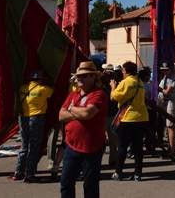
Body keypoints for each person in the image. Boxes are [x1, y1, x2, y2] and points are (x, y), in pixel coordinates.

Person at [58, 61, 108, 198]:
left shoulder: (99, 94)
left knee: (90, 186)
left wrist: (71, 109)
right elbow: (61, 116)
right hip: (71, 145)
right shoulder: (73, 95)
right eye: (79, 76)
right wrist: (78, 113)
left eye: (85, 76)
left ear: (93, 77)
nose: (80, 78)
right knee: (66, 182)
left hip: (92, 147)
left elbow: (87, 114)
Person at [112, 61, 148, 181]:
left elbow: (115, 97)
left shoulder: (126, 82)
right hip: (141, 117)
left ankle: (118, 172)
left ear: (126, 71)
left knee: (122, 146)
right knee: (138, 148)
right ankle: (138, 173)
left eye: (123, 70)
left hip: (128, 118)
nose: (122, 72)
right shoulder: (140, 82)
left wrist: (113, 87)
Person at [14, 70, 53, 182]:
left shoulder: (23, 88)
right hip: (36, 118)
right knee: (34, 146)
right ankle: (29, 174)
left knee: (24, 146)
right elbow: (53, 92)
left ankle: (18, 172)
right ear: (40, 80)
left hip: (22, 118)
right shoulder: (44, 89)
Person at [158, 62, 175, 155]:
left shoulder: (173, 77)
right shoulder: (165, 77)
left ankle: (172, 149)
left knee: (170, 125)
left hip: (171, 101)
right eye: (163, 70)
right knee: (167, 126)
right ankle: (170, 147)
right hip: (165, 102)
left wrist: (159, 89)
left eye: (166, 69)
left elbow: (167, 92)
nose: (164, 71)